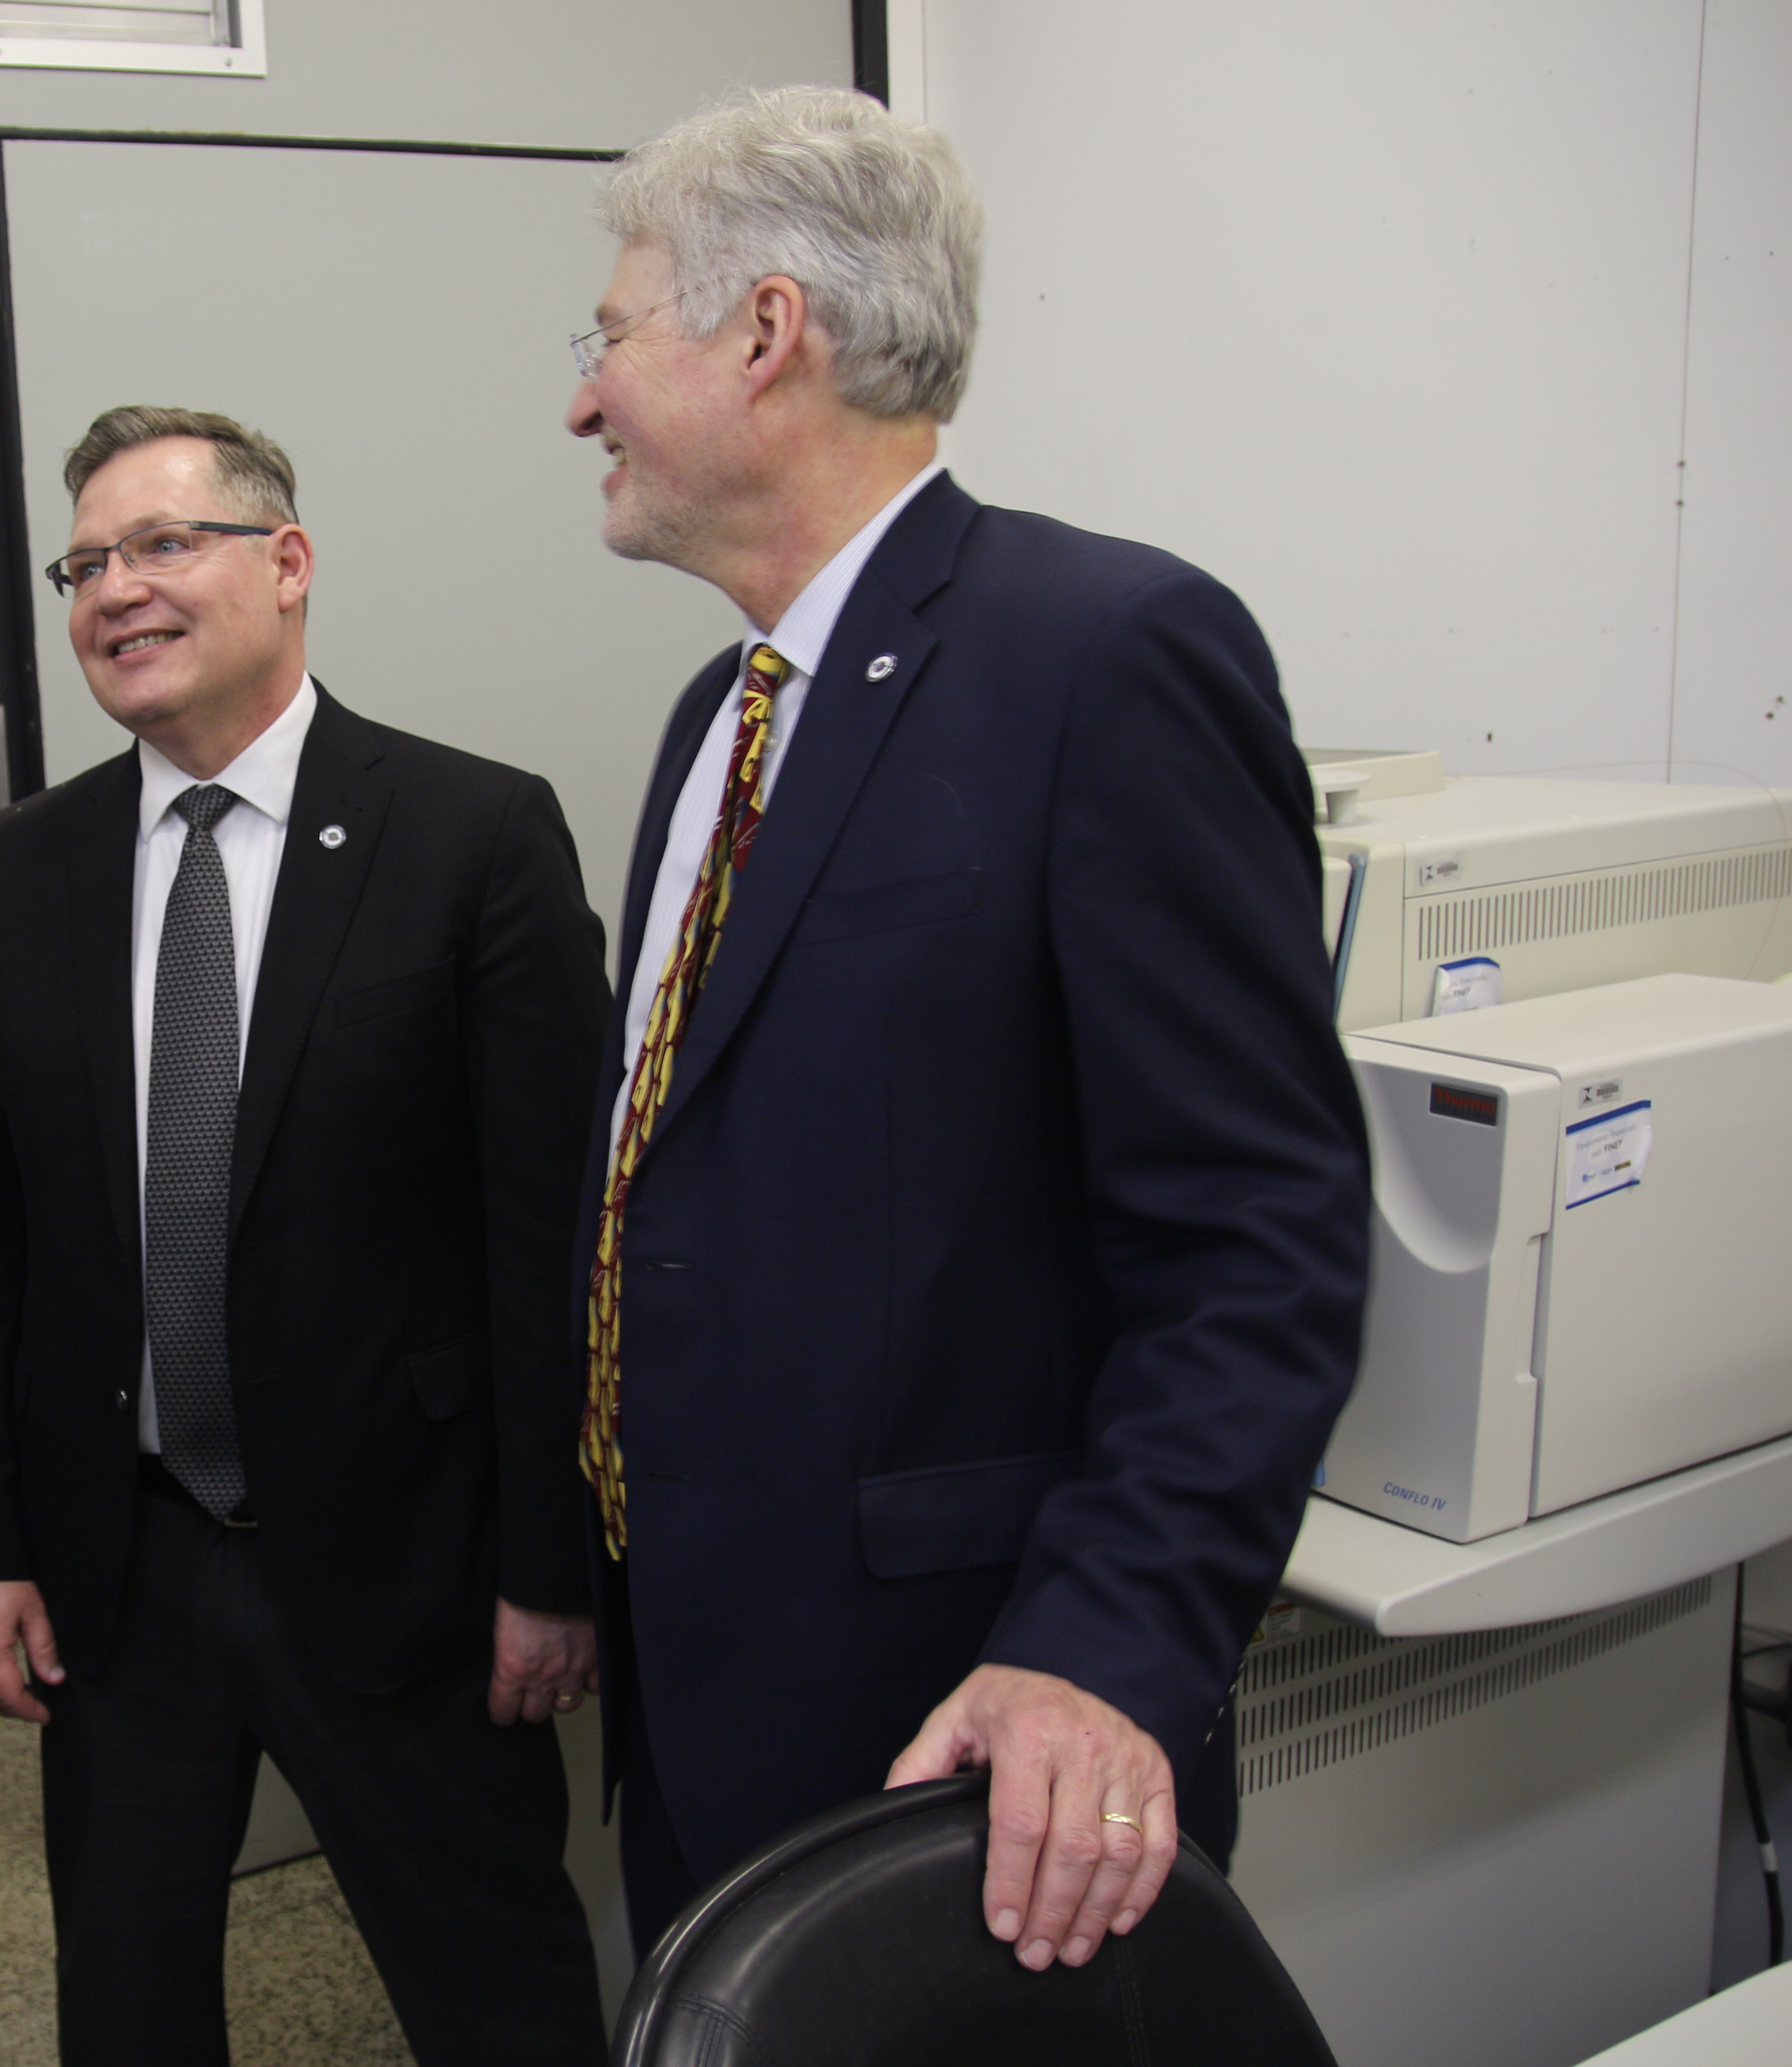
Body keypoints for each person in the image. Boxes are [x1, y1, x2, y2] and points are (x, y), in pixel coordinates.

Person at [560, 86, 1373, 1967]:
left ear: (767, 333)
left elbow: (1253, 1236)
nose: (582, 402)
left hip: (971, 1720)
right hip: (700, 1678)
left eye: (606, 339)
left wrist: (1106, 1648)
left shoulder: (1109, 655)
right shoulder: (717, 718)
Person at [0, 407, 612, 2067]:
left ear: (286, 566)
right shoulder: (16, 875)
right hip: (122, 1565)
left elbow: (550, 1243)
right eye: (87, 565)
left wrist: (551, 1566)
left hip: (410, 1562)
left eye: (163, 546)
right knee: (131, 2009)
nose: (114, 593)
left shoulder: (475, 839)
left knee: (499, 2000)